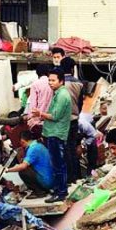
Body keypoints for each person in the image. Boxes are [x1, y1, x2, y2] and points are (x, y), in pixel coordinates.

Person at [37, 67, 72, 203]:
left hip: (56, 133)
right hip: (53, 132)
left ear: (61, 81)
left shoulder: (62, 95)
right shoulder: (58, 93)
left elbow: (55, 116)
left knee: (58, 164)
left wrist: (40, 114)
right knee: (57, 164)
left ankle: (61, 192)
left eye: (53, 80)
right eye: (49, 80)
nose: (50, 83)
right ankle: (59, 189)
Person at [6, 130, 53, 195]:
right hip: (52, 179)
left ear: (22, 141)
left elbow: (23, 166)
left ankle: (39, 192)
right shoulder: (39, 145)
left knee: (23, 171)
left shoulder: (32, 149)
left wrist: (7, 170)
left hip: (47, 182)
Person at [25, 65, 53, 134]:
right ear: (48, 73)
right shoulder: (53, 83)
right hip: (51, 119)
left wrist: (30, 118)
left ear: (37, 74)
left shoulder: (35, 84)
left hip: (38, 120)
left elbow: (33, 105)